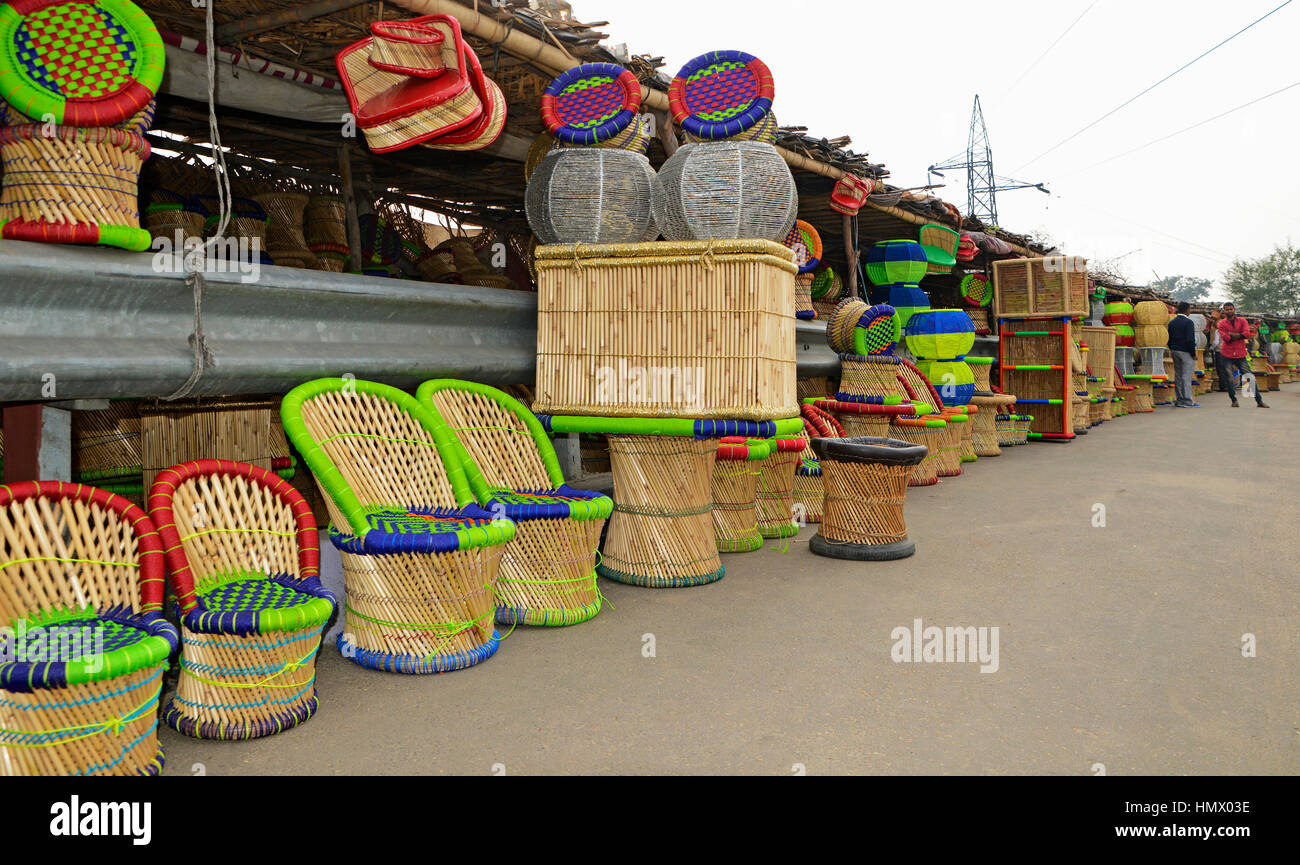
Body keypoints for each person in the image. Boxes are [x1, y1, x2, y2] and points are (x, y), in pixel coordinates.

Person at [1216, 303, 1269, 409]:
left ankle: (1259, 401)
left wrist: (1232, 334)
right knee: (1229, 378)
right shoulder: (1221, 323)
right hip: (1227, 353)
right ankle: (1234, 400)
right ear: (1224, 311)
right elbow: (1226, 338)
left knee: (1249, 376)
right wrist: (1239, 335)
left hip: (1240, 353)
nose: (1229, 311)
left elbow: (1247, 334)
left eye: (1231, 309)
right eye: (1227, 310)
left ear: (1234, 309)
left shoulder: (1242, 321)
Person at [1168, 302, 1198, 407]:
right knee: (1186, 376)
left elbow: (1169, 338)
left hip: (1175, 351)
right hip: (1186, 352)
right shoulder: (1188, 322)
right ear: (1187, 310)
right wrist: (1193, 353)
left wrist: (1172, 348)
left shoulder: (1172, 322)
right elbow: (1190, 340)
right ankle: (1188, 401)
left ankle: (1179, 399)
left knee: (1178, 376)